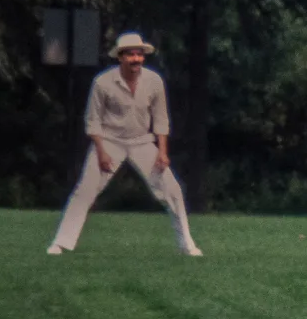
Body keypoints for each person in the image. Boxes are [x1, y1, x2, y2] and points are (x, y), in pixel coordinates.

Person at [47, 31, 203, 257]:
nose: (136, 60)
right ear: (120, 57)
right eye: (130, 55)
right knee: (86, 189)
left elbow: (160, 119)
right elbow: (93, 121)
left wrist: (163, 152)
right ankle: (60, 243)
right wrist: (101, 152)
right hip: (109, 141)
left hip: (142, 142)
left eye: (139, 55)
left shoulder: (153, 81)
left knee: (173, 190)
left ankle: (187, 244)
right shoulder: (102, 82)